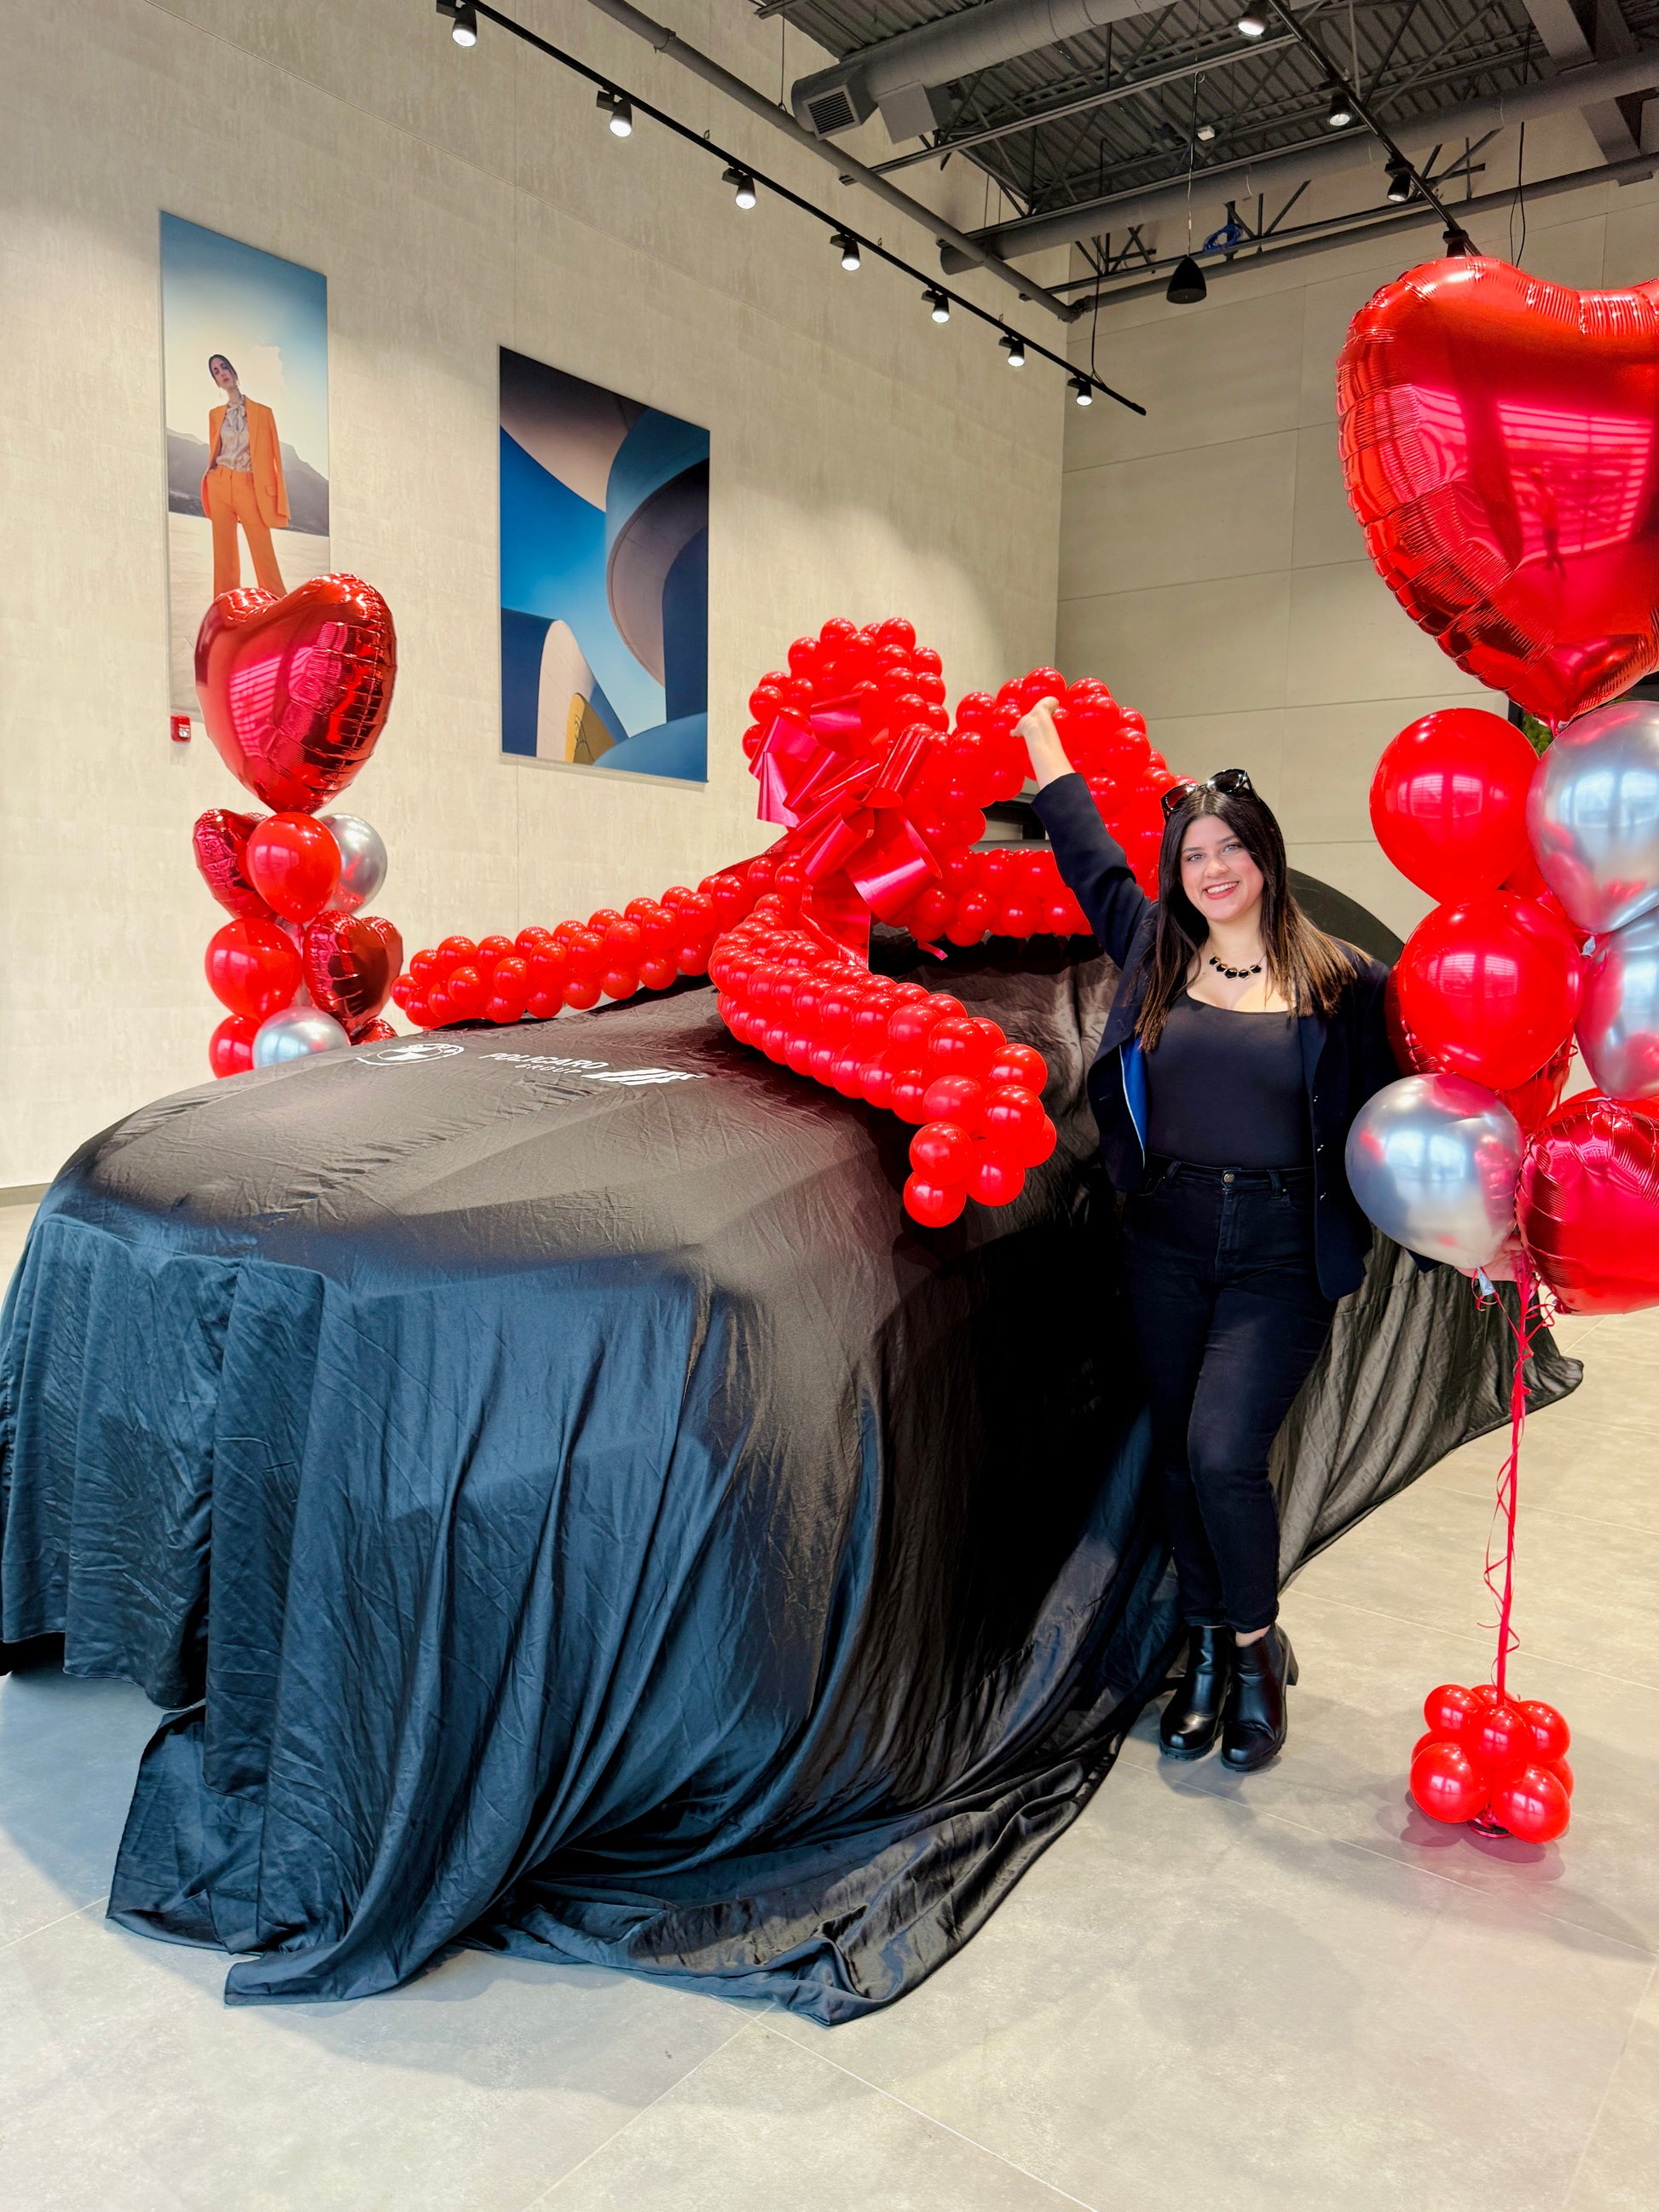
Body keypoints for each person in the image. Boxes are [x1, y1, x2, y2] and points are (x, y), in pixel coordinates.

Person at [1019, 699, 1400, 1771]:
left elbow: (1396, 1113)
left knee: (1222, 1451)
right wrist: (1044, 750)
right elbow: (1089, 860)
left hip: (1282, 1249)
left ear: (1265, 857)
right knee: (1181, 1458)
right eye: (1193, 855)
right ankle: (1198, 1645)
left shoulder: (1344, 982)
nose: (1213, 868)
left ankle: (1250, 1650)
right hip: (1167, 1238)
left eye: (1231, 848)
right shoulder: (1153, 950)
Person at [200, 354, 288, 598]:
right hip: (219, 484)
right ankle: (224, 610)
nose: (221, 373)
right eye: (216, 372)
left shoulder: (263, 413)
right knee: (224, 560)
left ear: (233, 371)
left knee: (263, 555)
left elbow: (275, 458)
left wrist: (276, 496)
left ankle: (279, 607)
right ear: (216, 382)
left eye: (224, 367)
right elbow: (216, 450)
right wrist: (213, 478)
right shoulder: (215, 415)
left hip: (249, 485)